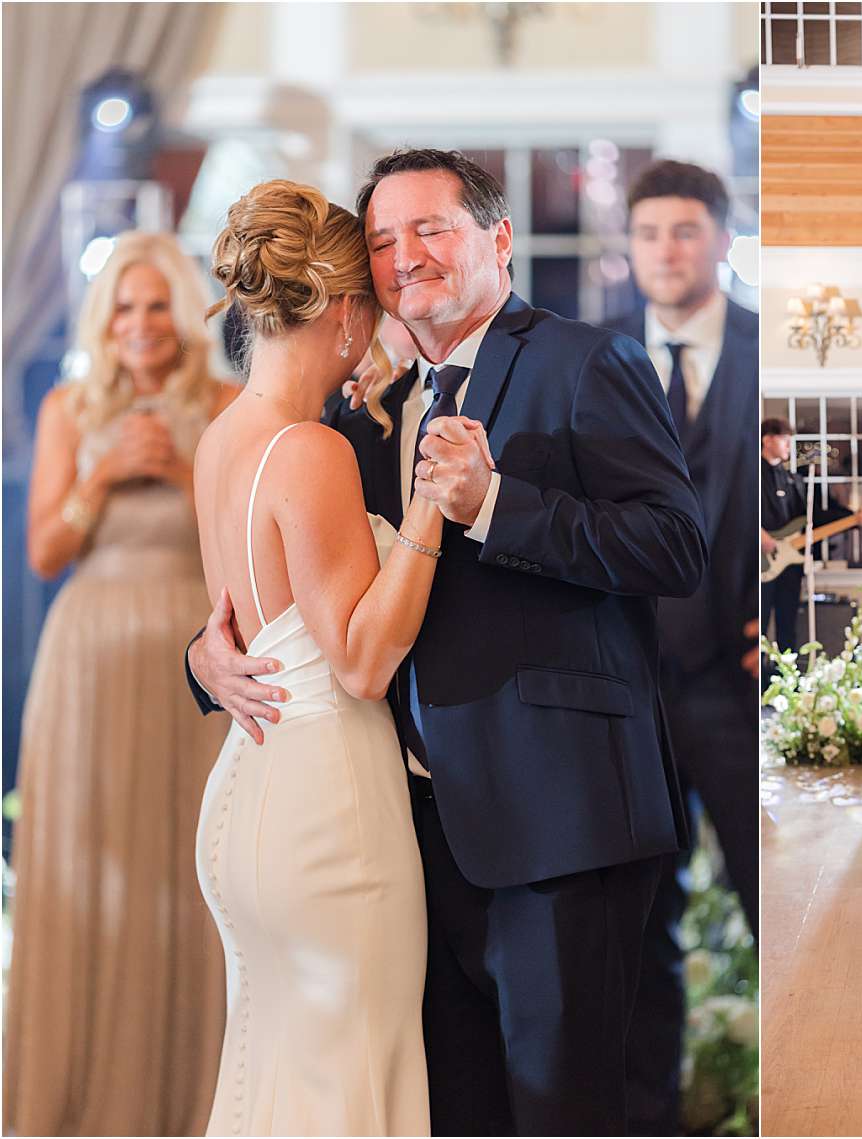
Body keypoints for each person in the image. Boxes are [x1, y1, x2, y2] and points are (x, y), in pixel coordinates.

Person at [187, 150, 706, 1136]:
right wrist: (206, 658)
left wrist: (500, 502)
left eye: (430, 228)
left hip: (559, 823)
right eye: (381, 240)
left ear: (496, 238)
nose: (405, 255)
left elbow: (675, 544)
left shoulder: (584, 361)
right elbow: (304, 590)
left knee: (563, 1115)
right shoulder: (357, 412)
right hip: (403, 833)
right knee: (447, 1112)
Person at [192, 179, 462, 1135]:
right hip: (331, 812)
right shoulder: (310, 449)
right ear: (348, 314)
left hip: (249, 788)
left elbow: (238, 620)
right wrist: (430, 504)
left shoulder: (223, 439)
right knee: (351, 1079)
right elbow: (358, 662)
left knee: (271, 1077)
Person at [4, 233, 238, 1137]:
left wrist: (180, 468)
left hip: (195, 659)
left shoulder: (223, 404)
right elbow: (45, 553)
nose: (140, 324)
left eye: (156, 305)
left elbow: (237, 543)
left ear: (182, 314)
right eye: (124, 308)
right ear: (105, 321)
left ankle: (192, 1102)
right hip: (87, 661)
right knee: (88, 879)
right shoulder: (70, 407)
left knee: (191, 873)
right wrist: (102, 473)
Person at [603, 158, 758, 1134]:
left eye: (685, 230)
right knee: (637, 933)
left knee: (773, 915)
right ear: (629, 248)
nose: (667, 248)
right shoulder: (592, 359)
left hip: (735, 691)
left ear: (720, 240)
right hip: (627, 695)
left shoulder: (759, 348)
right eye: (650, 231)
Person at [760, 416, 851, 653]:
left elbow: (812, 517)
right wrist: (759, 535)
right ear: (767, 440)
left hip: (791, 561)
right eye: (784, 440)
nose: (790, 445)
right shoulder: (753, 473)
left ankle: (787, 677)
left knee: (787, 622)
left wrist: (852, 518)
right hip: (761, 561)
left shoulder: (793, 479)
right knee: (759, 623)